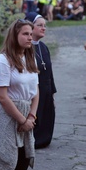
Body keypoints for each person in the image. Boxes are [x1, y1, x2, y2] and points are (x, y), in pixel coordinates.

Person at [0, 19, 39, 170]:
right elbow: (2, 97)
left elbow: (36, 90)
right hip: (8, 114)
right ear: (14, 36)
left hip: (26, 113)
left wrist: (31, 116)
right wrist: (22, 121)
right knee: (2, 167)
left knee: (21, 168)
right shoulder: (3, 61)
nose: (30, 37)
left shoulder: (30, 58)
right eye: (25, 34)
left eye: (31, 34)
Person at [25, 12, 56, 149]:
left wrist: (52, 93)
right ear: (30, 27)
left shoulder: (43, 47)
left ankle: (44, 138)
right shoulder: (26, 48)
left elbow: (50, 72)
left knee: (46, 116)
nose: (43, 28)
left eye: (44, 25)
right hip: (34, 91)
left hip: (46, 89)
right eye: (40, 25)